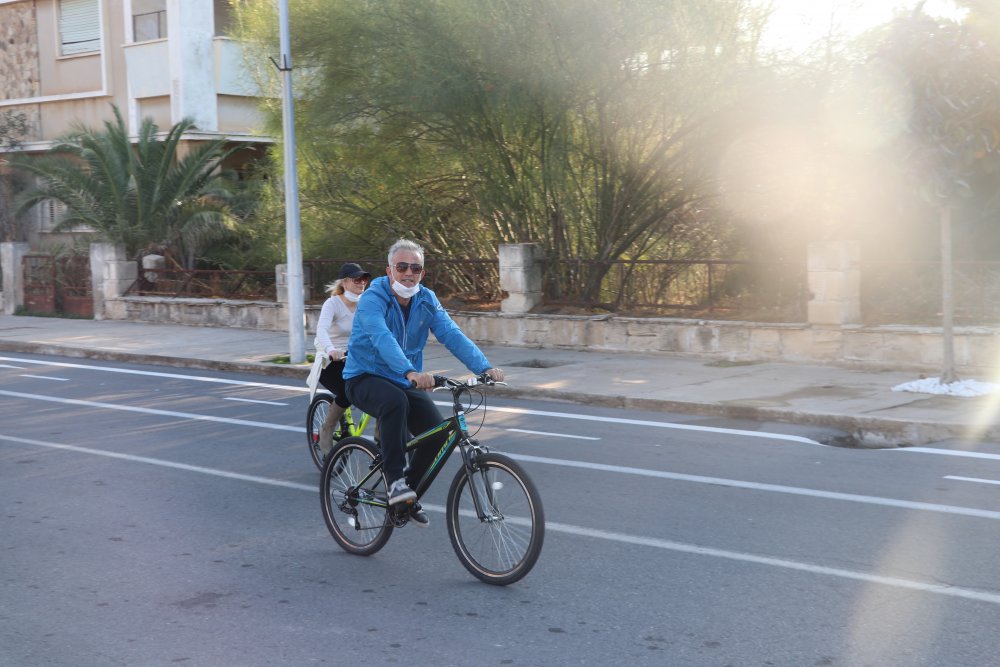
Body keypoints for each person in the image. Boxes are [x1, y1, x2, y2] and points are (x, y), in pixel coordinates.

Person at [343, 239, 504, 527]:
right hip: (364, 377)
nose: (408, 273)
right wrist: (409, 371)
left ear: (422, 273)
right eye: (401, 266)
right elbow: (381, 337)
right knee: (395, 402)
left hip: (404, 379)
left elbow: (451, 335)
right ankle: (395, 483)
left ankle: (407, 497)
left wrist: (485, 367)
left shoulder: (426, 299)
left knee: (438, 435)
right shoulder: (373, 297)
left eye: (415, 268)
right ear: (389, 270)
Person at [306, 261, 372, 455]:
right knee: (347, 391)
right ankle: (327, 428)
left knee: (384, 386)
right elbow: (321, 330)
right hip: (333, 361)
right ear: (344, 282)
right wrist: (330, 349)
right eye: (356, 279)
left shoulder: (366, 303)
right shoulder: (333, 303)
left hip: (358, 358)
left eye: (364, 279)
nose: (362, 283)